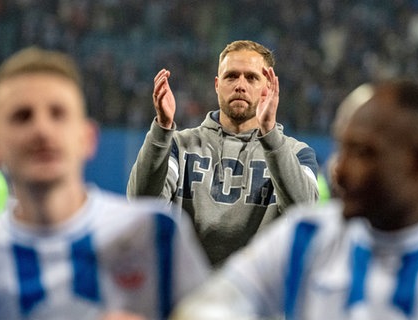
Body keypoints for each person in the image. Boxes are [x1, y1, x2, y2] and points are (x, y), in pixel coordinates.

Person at [170, 80, 418, 319]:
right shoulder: (304, 237)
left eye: (363, 152)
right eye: (341, 147)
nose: (339, 169)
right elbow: (208, 306)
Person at [0, 47, 209, 320]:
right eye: (22, 116)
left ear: (87, 138)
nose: (42, 130)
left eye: (58, 114)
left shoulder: (154, 233)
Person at [127, 40, 319, 267]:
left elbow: (306, 214)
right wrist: (162, 128)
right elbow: (142, 204)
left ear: (268, 87)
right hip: (190, 288)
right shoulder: (179, 145)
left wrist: (270, 135)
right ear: (217, 84)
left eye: (251, 77)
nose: (240, 85)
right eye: (231, 76)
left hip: (259, 294)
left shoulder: (297, 154)